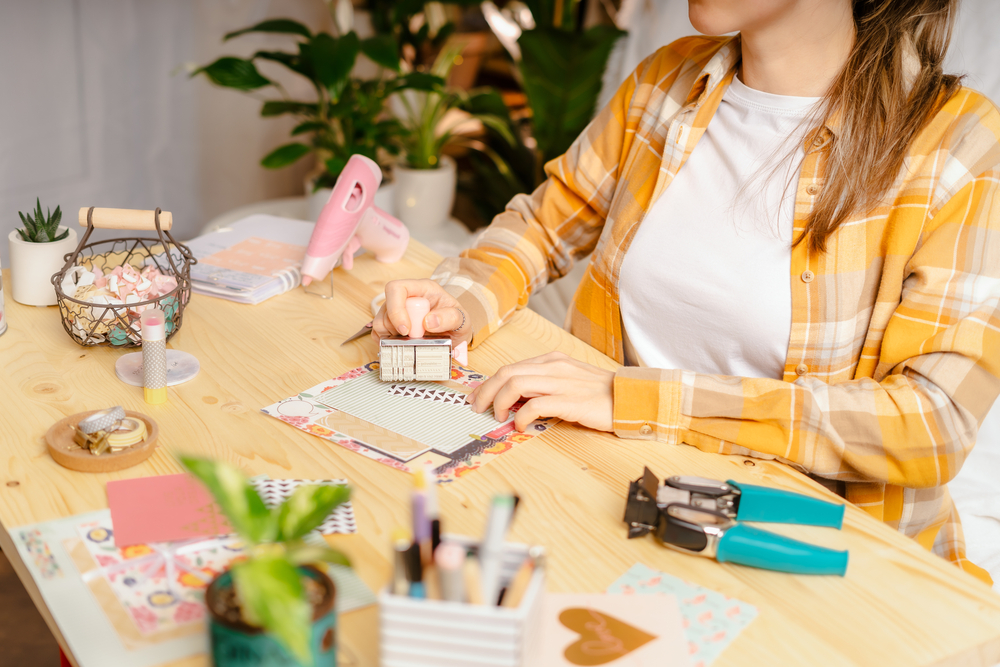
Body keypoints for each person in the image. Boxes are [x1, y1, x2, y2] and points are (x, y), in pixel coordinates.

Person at [373, 0, 1000, 584]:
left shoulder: (961, 144)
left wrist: (638, 398)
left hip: (824, 562)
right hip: (608, 495)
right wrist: (462, 299)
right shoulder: (667, 80)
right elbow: (544, 224)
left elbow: (933, 423)